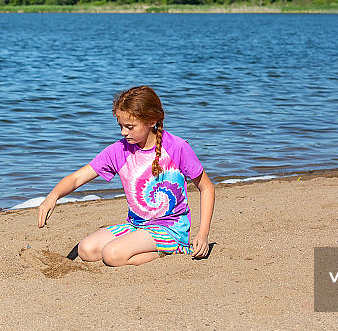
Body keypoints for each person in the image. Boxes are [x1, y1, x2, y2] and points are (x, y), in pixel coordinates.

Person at [37, 86, 215, 267]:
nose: (123, 132)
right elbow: (77, 178)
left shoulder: (177, 147)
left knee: (112, 255)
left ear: (152, 121)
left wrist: (203, 233)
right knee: (86, 250)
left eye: (129, 127)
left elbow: (206, 187)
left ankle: (177, 249)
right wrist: (53, 196)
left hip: (170, 228)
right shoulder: (118, 150)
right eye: (120, 126)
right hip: (136, 225)